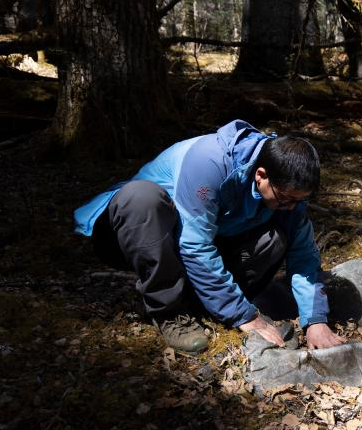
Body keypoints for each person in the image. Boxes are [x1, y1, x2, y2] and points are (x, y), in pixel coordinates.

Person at [74, 119, 346, 354]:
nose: (291, 206)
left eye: (298, 200)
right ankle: (168, 312)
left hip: (203, 239)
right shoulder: (210, 163)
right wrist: (244, 317)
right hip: (133, 235)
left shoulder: (287, 189)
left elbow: (304, 257)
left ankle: (203, 302)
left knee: (276, 236)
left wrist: (316, 321)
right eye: (286, 199)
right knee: (141, 197)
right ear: (261, 176)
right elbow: (195, 246)